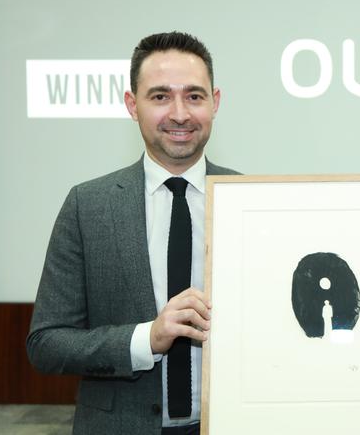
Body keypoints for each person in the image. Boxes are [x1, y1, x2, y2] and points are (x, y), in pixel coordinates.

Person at [27, 31, 239, 435]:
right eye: (160, 96)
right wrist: (146, 339)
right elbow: (47, 343)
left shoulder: (249, 203)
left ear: (215, 102)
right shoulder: (87, 206)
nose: (179, 113)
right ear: (132, 104)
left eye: (194, 96)